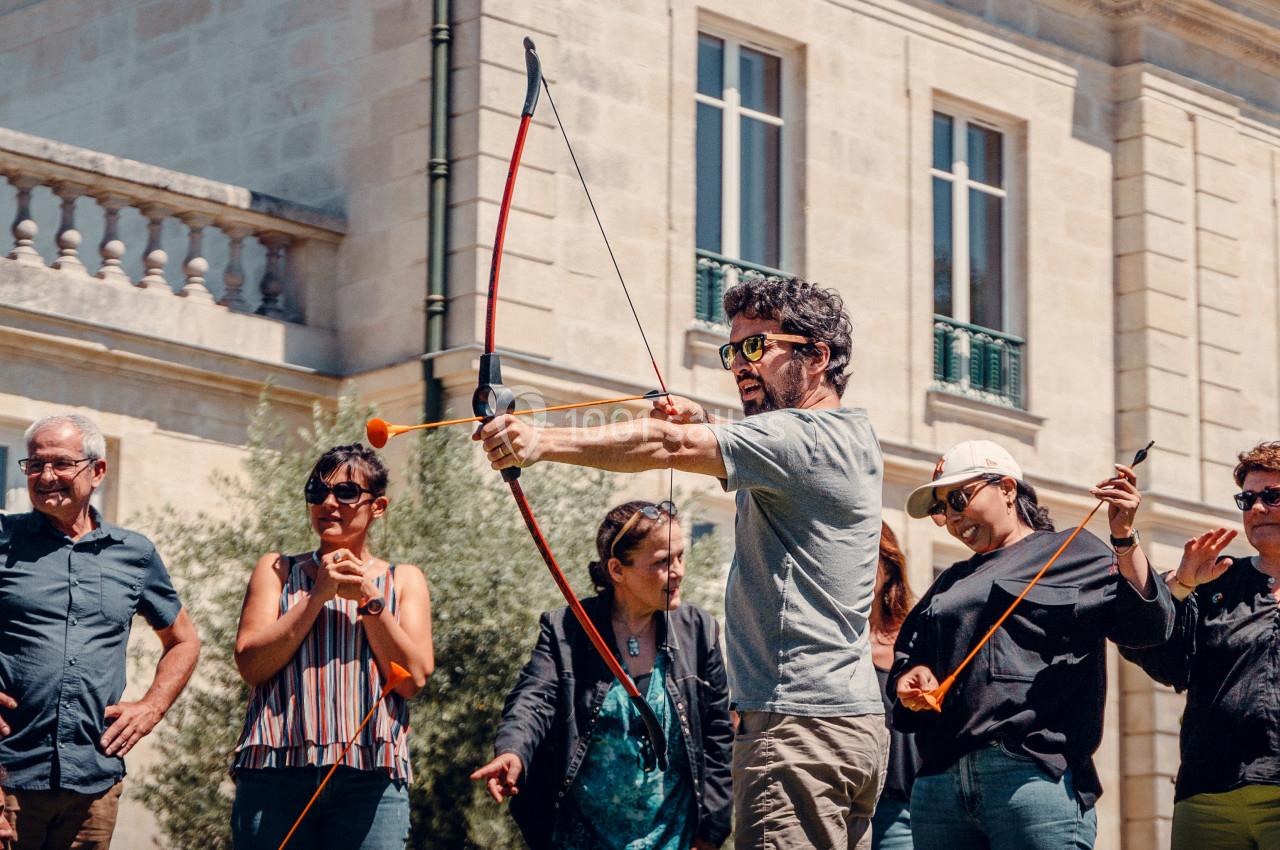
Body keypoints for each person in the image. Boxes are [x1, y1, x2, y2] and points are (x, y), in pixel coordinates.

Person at [475, 276, 887, 849]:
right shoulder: (846, 437)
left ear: (816, 356)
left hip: (796, 728)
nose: (739, 365)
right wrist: (706, 426)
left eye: (756, 346)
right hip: (848, 727)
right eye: (732, 350)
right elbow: (746, 448)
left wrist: (540, 442)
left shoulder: (801, 437)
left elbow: (665, 445)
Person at [889, 439, 1174, 850]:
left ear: (1007, 488)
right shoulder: (950, 581)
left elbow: (1149, 627)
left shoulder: (1072, 551)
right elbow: (908, 656)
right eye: (940, 509)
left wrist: (1124, 538)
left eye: (958, 498)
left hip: (1029, 775)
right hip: (939, 782)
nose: (951, 516)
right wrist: (911, 677)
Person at [470, 500, 732, 849]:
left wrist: (711, 832)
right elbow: (532, 701)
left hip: (675, 839)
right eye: (662, 562)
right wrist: (512, 750)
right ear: (617, 569)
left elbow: (718, 738)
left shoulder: (699, 630)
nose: (678, 571)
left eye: (681, 557)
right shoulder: (566, 628)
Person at [0, 414, 202, 850]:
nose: (46, 477)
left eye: (61, 463)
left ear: (98, 470)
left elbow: (184, 640)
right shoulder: (4, 539)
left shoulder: (134, 554)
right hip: (8, 779)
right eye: (34, 465)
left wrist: (152, 707)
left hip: (93, 782)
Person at [230, 444, 434, 850]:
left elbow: (413, 679)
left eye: (345, 492)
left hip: (370, 778)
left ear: (378, 507)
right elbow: (251, 664)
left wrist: (369, 600)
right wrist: (316, 596)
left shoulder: (404, 579)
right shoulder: (277, 570)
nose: (327, 503)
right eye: (316, 491)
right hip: (275, 773)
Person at [1119, 441, 1280, 849]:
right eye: (1247, 499)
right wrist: (1181, 584)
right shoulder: (1214, 581)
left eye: (1273, 496)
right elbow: (1148, 649)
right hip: (1209, 795)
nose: (1258, 508)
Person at [870, 523, 920, 850]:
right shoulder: (835, 645)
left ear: (888, 569)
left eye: (867, 556)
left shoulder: (916, 635)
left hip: (912, 804)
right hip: (849, 801)